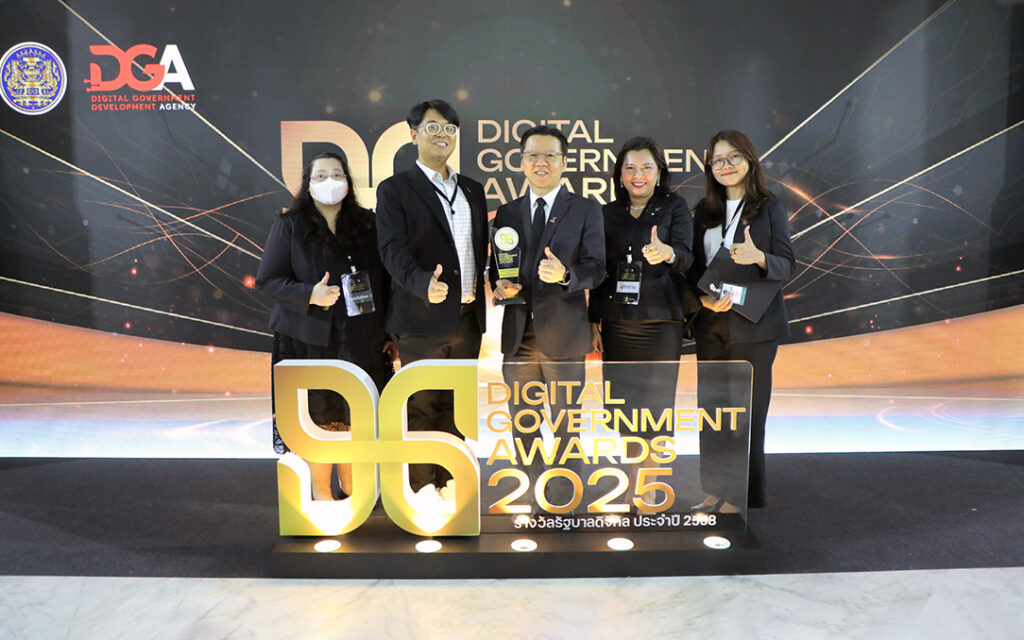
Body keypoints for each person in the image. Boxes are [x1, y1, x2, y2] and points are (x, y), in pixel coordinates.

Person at [256, 152, 394, 501]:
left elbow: (385, 282)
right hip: (309, 341)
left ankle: (352, 490)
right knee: (320, 417)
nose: (330, 181)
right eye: (320, 176)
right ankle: (321, 492)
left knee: (355, 416)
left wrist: (389, 333)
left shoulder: (369, 223)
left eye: (337, 173)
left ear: (348, 180)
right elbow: (267, 280)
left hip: (362, 339)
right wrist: (310, 294)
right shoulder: (289, 224)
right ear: (308, 184)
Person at [375, 99, 489, 506]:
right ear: (413, 135)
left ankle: (451, 481)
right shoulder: (395, 190)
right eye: (433, 127)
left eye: (450, 129)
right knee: (421, 406)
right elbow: (391, 250)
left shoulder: (473, 189)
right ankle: (422, 488)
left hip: (468, 319)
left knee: (457, 407)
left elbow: (480, 248)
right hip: (420, 317)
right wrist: (421, 283)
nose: (443, 136)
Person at [491, 124, 605, 506]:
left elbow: (597, 269)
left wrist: (566, 275)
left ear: (564, 161)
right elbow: (499, 268)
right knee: (523, 425)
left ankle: (565, 497)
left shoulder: (586, 209)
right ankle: (534, 492)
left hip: (564, 338)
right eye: (533, 155)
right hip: (518, 337)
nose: (541, 163)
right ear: (522, 161)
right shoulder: (507, 211)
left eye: (550, 155)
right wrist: (499, 287)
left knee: (566, 427)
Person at [686, 130, 794, 514]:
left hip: (754, 328)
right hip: (711, 325)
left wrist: (759, 257)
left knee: (747, 416)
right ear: (709, 167)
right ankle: (714, 490)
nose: (726, 166)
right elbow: (694, 268)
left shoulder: (769, 207)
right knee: (712, 412)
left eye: (733, 157)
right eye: (717, 160)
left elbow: (787, 264)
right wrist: (702, 299)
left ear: (749, 159)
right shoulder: (703, 212)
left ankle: (741, 495)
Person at [587, 137, 694, 508]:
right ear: (619, 174)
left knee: (657, 410)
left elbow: (687, 257)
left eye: (647, 167)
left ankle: (651, 489)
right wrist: (593, 321)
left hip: (661, 322)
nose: (638, 175)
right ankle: (634, 484)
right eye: (630, 167)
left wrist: (668, 253)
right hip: (618, 324)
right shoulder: (606, 213)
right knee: (625, 411)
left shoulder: (674, 206)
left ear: (659, 172)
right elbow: (600, 272)